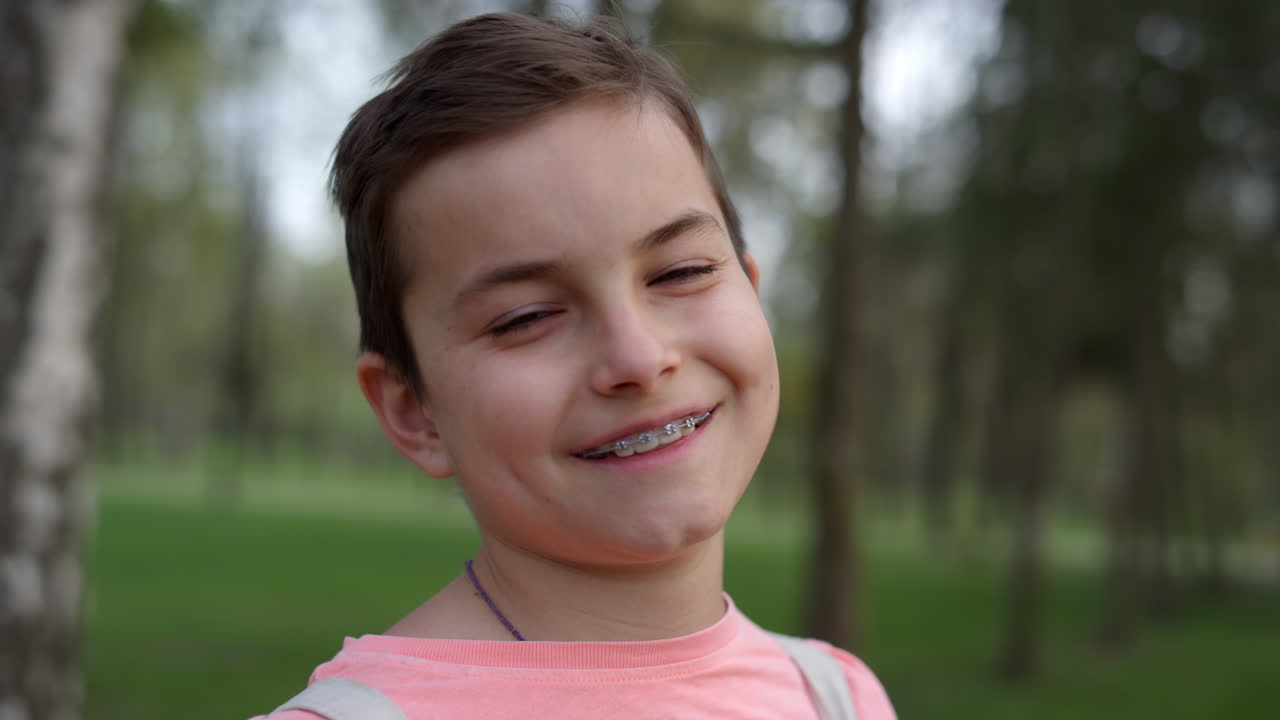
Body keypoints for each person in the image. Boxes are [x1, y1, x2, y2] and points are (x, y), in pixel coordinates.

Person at [254, 11, 895, 720]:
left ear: (749, 285)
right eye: (526, 317)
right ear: (413, 410)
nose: (639, 357)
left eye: (680, 272)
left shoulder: (837, 697)